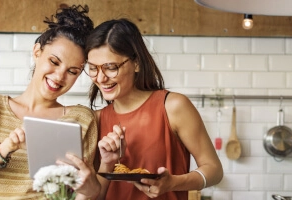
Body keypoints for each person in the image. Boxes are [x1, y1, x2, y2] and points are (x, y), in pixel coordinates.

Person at [0, 5, 100, 200]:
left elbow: (82, 193)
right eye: (54, 62)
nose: (59, 76)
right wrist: (3, 149)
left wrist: (91, 189)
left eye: (72, 71)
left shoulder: (81, 119)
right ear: (37, 51)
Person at [85, 19, 223, 199]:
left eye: (110, 67)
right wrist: (106, 164)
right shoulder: (96, 119)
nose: (101, 78)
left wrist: (173, 183)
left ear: (136, 63)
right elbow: (98, 195)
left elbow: (214, 170)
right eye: (93, 68)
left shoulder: (173, 106)